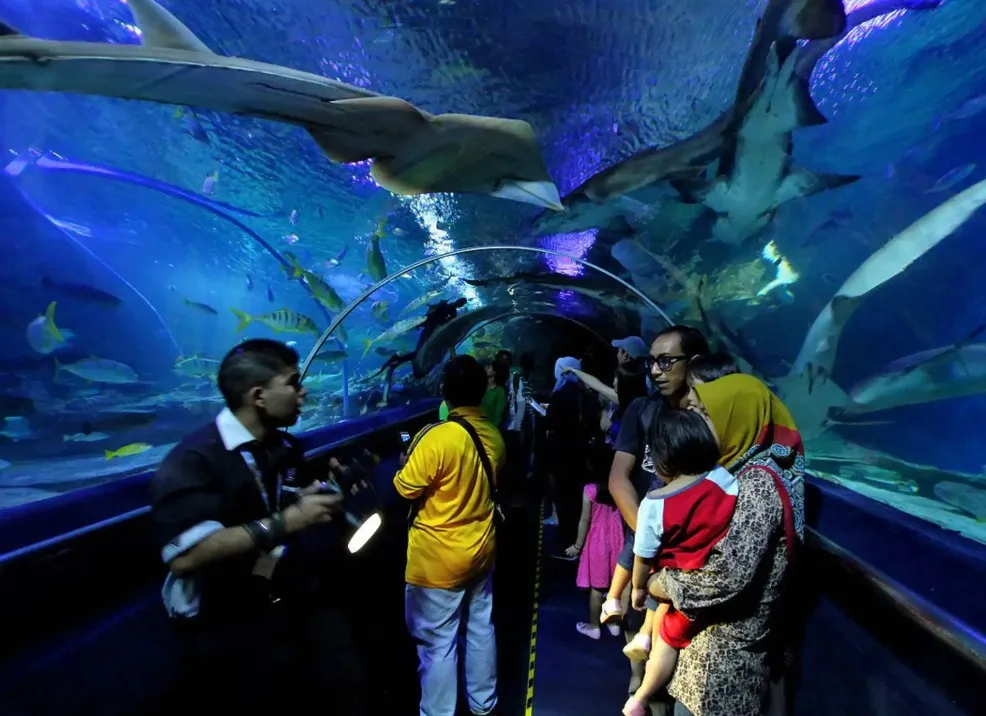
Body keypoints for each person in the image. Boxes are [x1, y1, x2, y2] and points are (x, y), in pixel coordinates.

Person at [150, 339, 366, 713]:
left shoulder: (283, 446)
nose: (303, 391)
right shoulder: (195, 459)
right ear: (258, 396)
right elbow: (185, 556)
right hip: (235, 625)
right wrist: (288, 521)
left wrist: (313, 493)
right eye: (293, 382)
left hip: (295, 602)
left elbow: (278, 493)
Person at [651, 373, 805, 716]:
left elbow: (727, 575)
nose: (699, 422)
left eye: (706, 413)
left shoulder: (757, 484)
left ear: (737, 416)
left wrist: (662, 583)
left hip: (723, 664)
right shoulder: (736, 472)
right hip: (709, 651)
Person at [394, 354, 506, 716]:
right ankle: (483, 704)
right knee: (480, 628)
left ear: (444, 391)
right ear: (481, 391)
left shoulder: (438, 438)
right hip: (481, 551)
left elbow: (404, 488)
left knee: (437, 643)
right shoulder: (492, 434)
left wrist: (404, 463)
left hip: (437, 562)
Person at [602, 327, 710, 685]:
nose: (655, 371)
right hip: (646, 553)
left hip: (693, 563)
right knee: (639, 639)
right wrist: (648, 538)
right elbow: (618, 478)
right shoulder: (642, 410)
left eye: (666, 361)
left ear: (693, 363)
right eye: (652, 362)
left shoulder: (708, 415)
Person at [622, 410, 738, 716]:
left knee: (668, 639)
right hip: (711, 571)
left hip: (679, 581)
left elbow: (643, 555)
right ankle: (645, 641)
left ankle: (640, 698)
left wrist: (636, 589)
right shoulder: (722, 478)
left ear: (662, 457)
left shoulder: (655, 503)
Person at [565, 480, 625, 640]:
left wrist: (577, 546)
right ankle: (613, 624)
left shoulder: (590, 489)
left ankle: (594, 627)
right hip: (617, 538)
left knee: (597, 589)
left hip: (597, 542)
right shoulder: (619, 483)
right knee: (616, 585)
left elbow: (585, 520)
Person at [544, 356, 592, 541]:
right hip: (578, 449)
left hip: (561, 451)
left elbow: (552, 421)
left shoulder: (561, 393)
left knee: (563, 495)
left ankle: (566, 537)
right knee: (575, 495)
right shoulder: (581, 391)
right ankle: (577, 536)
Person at [375, 297, 469, 387]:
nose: (460, 304)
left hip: (434, 332)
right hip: (429, 330)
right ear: (458, 300)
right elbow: (429, 316)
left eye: (462, 303)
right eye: (461, 302)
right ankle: (395, 360)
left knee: (420, 351)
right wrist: (420, 324)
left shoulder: (453, 312)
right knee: (419, 351)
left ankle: (396, 359)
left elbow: (448, 325)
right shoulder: (443, 305)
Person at [481, 358, 509, 426]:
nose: (491, 368)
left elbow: (498, 415)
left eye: (489, 367)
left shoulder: (499, 391)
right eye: (488, 367)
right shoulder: (479, 390)